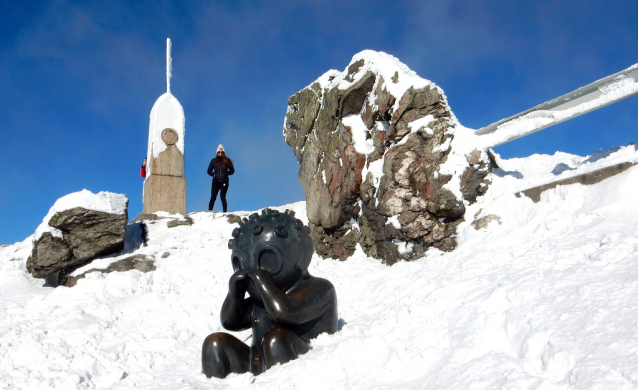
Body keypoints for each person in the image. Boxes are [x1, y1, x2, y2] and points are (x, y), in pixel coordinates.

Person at [207, 144, 234, 212]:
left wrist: (226, 173)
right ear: (217, 152)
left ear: (224, 152)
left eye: (222, 152)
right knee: (213, 197)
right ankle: (209, 211)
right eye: (219, 152)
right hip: (216, 181)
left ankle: (225, 212)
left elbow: (232, 170)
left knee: (222, 197)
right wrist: (214, 175)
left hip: (224, 181)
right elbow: (208, 171)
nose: (220, 153)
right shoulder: (213, 161)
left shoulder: (227, 160)